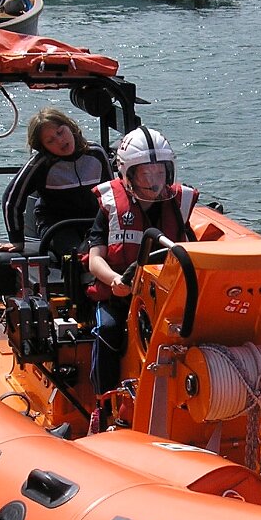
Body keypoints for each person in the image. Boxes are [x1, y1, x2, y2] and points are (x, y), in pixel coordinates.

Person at [86, 127, 198, 400]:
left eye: (159, 173)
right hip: (120, 294)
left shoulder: (178, 205)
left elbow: (194, 251)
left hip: (165, 294)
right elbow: (95, 259)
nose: (153, 181)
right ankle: (104, 399)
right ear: (128, 174)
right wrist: (115, 280)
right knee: (107, 330)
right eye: (145, 174)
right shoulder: (111, 207)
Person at [0, 107, 110, 252]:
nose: (60, 140)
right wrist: (17, 240)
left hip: (93, 222)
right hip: (57, 226)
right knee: (77, 255)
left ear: (70, 127)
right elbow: (10, 200)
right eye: (50, 140)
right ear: (43, 147)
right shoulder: (40, 164)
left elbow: (112, 193)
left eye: (60, 132)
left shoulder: (96, 153)